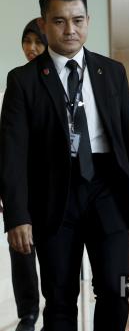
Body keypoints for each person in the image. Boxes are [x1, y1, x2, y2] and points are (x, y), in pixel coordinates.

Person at [0, 0, 129, 330]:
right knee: (60, 297)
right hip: (54, 195)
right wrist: (17, 216)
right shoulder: (23, 81)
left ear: (88, 21)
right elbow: (12, 154)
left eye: (78, 20)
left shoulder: (112, 71)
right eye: (59, 21)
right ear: (44, 24)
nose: (70, 29)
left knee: (115, 289)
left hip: (107, 188)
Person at [0, 19, 47, 331]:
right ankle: (28, 312)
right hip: (21, 182)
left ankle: (55, 309)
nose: (31, 48)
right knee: (21, 247)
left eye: (37, 42)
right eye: (27, 41)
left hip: (52, 182)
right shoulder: (14, 83)